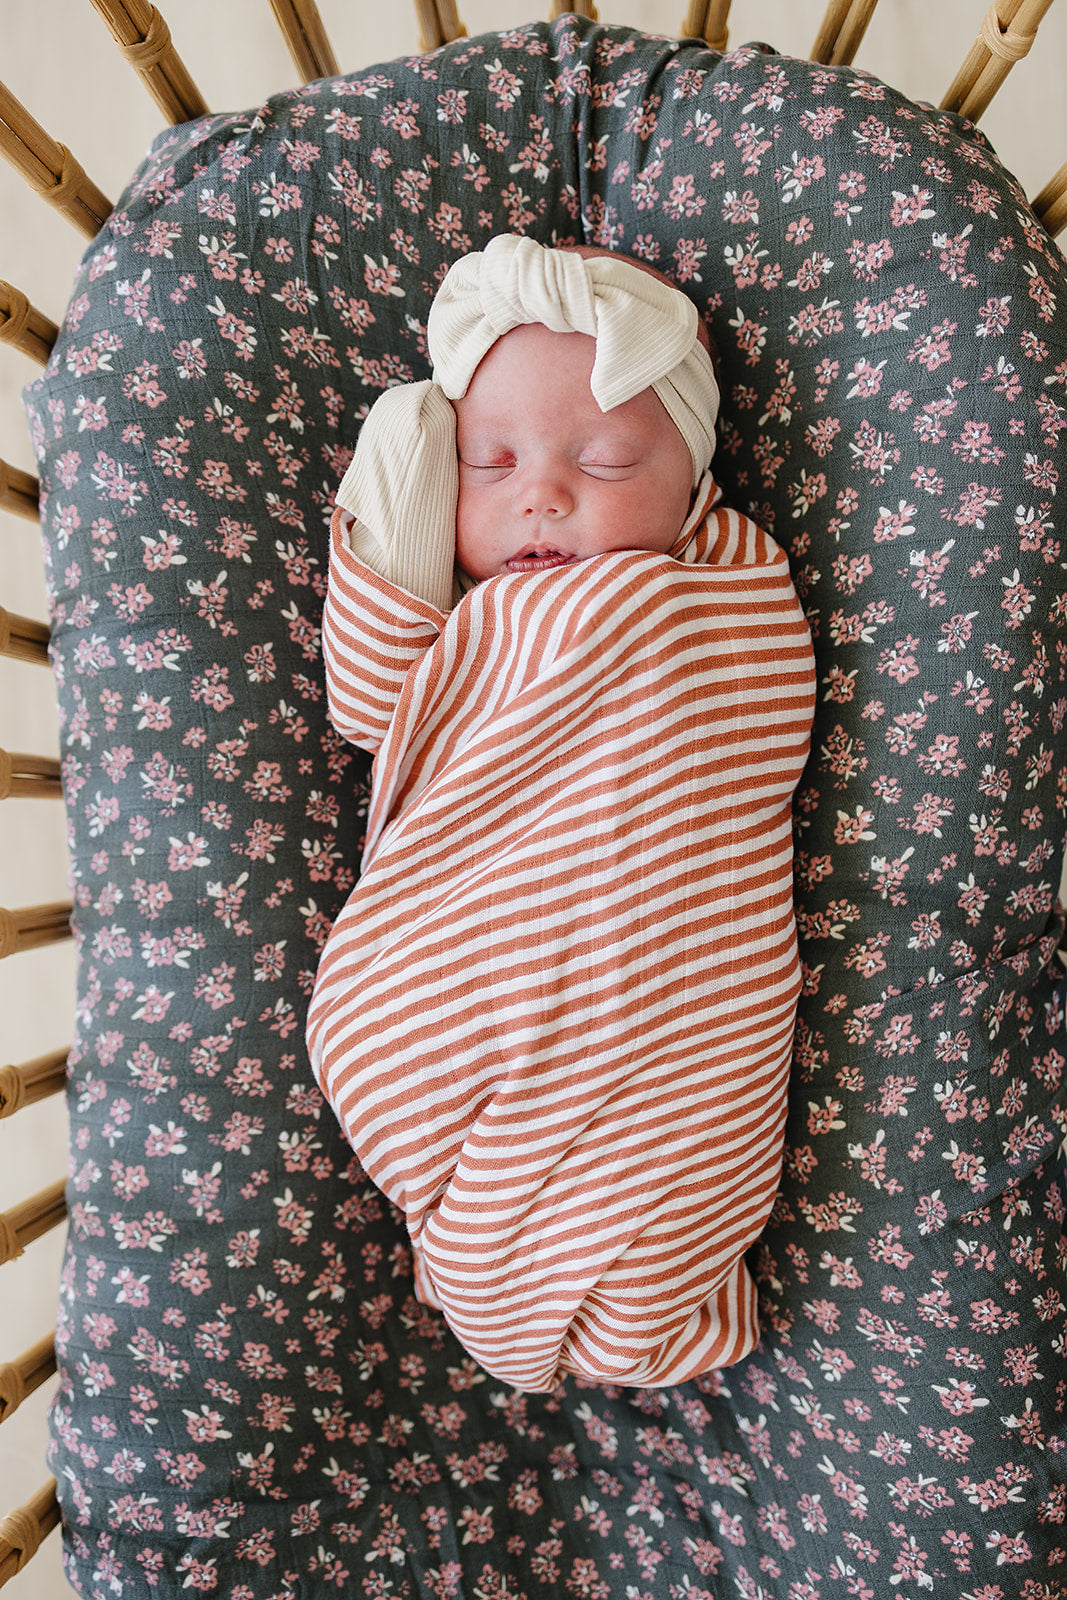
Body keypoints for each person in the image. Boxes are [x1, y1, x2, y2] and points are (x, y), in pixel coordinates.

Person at [306, 234, 816, 1394]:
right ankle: (490, 1238)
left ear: (691, 479)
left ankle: (600, 1266)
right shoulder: (461, 624)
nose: (540, 492)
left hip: (660, 975)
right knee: (392, 1045)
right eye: (487, 464)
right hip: (455, 964)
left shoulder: (719, 588)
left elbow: (744, 725)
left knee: (665, 1114)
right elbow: (367, 705)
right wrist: (399, 480)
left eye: (604, 457)